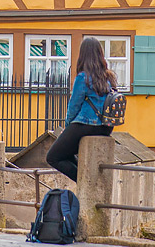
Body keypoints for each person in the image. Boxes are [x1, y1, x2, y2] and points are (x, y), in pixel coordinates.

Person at [47, 37, 116, 181]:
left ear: (83, 55)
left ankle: (85, 182)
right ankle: (88, 179)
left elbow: (74, 106)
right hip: (105, 127)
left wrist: (68, 127)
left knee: (53, 157)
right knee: (66, 154)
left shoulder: (83, 77)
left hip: (85, 124)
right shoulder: (109, 77)